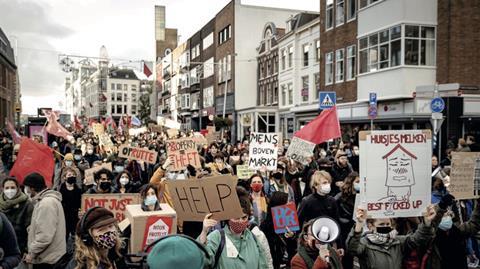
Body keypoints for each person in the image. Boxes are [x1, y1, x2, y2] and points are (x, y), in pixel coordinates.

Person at [346, 205, 437, 269]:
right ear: (370, 226)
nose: (385, 227)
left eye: (387, 224)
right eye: (381, 224)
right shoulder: (364, 243)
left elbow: (418, 239)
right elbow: (352, 249)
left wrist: (426, 222)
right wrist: (358, 224)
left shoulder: (398, 241)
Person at [198, 191, 268, 269]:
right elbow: (202, 259)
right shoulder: (217, 237)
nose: (240, 221)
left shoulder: (254, 238)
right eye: (236, 218)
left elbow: (263, 265)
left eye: (244, 217)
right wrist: (204, 232)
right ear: (228, 218)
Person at [423, 194, 480, 269]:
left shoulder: (456, 230)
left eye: (448, 213)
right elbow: (426, 229)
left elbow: (474, 224)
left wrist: (479, 206)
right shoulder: (431, 235)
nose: (448, 214)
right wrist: (441, 206)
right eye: (444, 213)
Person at [23, 172, 66, 268]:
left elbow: (45, 235)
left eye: (26, 188)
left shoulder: (46, 203)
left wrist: (32, 252)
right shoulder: (44, 201)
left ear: (32, 188)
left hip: (48, 260)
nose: (25, 190)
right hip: (50, 257)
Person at [261, 191, 297, 269]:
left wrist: (292, 237)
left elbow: (294, 247)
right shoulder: (265, 226)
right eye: (287, 202)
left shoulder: (291, 221)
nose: (289, 205)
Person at [0, 177, 33, 255]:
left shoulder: (27, 204)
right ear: (3, 189)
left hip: (19, 248)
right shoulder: (1, 204)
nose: (10, 190)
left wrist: (27, 250)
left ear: (18, 188)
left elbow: (30, 230)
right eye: (7, 188)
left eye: (12, 188)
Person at [334, 172, 359, 269]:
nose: (359, 184)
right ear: (351, 182)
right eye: (357, 181)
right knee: (347, 257)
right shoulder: (340, 197)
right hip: (344, 231)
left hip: (356, 229)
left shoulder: (360, 196)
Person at [59, 168, 83, 238]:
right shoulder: (60, 190)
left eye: (73, 175)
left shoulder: (79, 190)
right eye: (69, 175)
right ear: (64, 177)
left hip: (75, 218)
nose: (72, 176)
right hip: (64, 217)